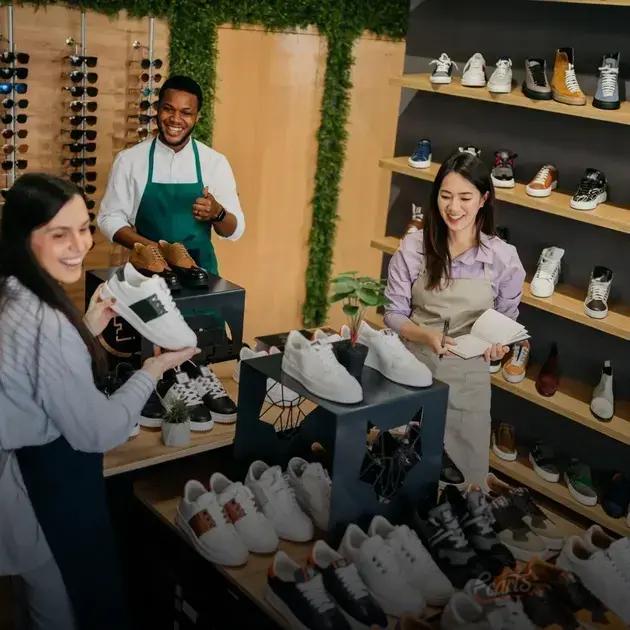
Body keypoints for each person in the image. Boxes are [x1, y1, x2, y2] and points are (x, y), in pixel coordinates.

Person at [0, 173, 198, 630]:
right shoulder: (45, 322)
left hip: (26, 470)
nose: (80, 245)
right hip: (45, 484)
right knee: (67, 607)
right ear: (25, 238)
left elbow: (33, 372)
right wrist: (153, 369)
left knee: (46, 600)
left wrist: (86, 327)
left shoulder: (11, 289)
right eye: (59, 234)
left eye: (85, 228)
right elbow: (99, 430)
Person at [384, 151, 525, 485]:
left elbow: (506, 325)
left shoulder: (504, 259)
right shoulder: (414, 247)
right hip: (412, 366)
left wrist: (498, 348)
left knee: (464, 481)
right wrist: (426, 337)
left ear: (483, 200)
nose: (454, 207)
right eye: (446, 196)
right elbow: (393, 314)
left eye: (465, 197)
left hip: (470, 382)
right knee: (401, 473)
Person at [97, 74, 245, 275]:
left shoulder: (215, 163)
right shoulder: (129, 160)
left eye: (186, 113)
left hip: (201, 275)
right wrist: (152, 249)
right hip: (147, 272)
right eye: (168, 109)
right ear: (157, 109)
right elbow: (109, 217)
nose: (175, 119)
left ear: (197, 117)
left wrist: (217, 213)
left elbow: (235, 231)